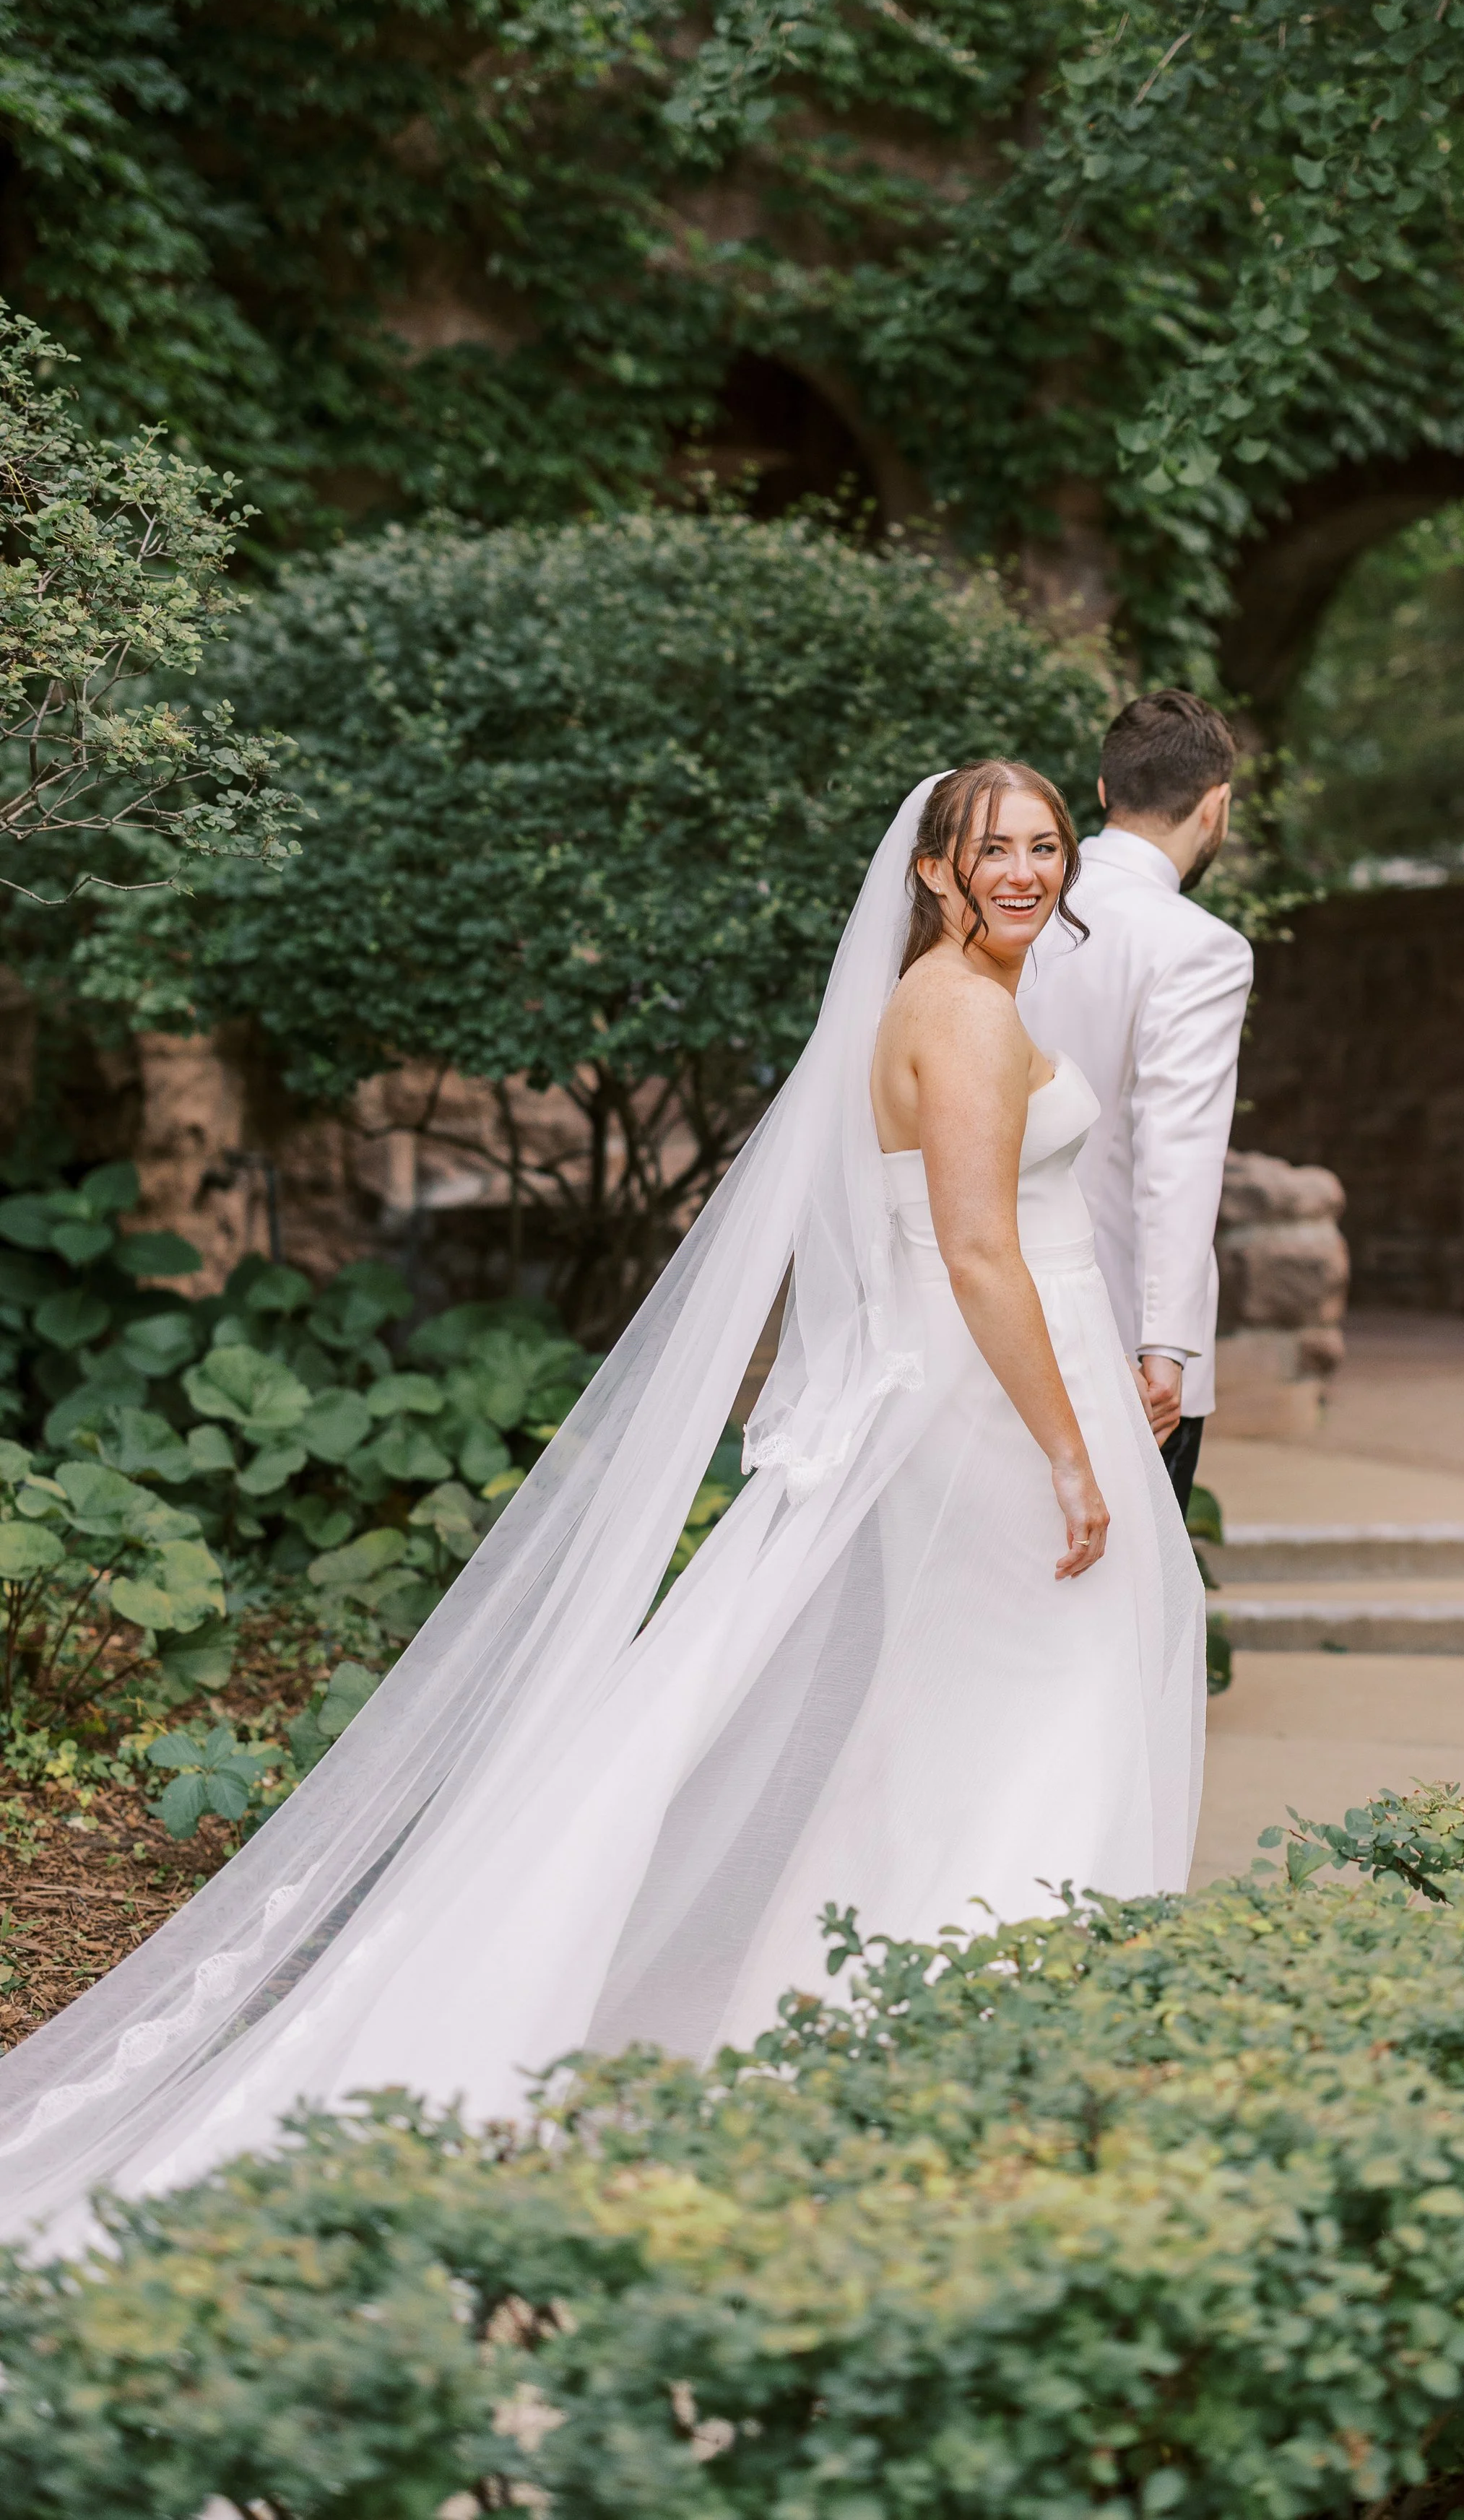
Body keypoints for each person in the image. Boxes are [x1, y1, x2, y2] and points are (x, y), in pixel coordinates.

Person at [0, 764, 1206, 2254]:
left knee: (957, 1720)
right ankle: (992, 2079)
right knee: (1042, 1709)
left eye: (1041, 847)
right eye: (992, 852)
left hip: (1010, 1389)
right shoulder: (955, 1011)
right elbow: (969, 1252)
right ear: (938, 875)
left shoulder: (965, 995)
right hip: (994, 1414)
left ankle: (877, 2050)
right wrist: (1070, 1454)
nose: (1023, 871)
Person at [1018, 691, 1254, 1513]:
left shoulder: (1008, 911)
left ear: (1101, 791)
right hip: (1115, 1338)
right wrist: (1165, 1348)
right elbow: (1177, 1157)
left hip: (975, 1322)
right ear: (1216, 805)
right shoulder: (1198, 949)